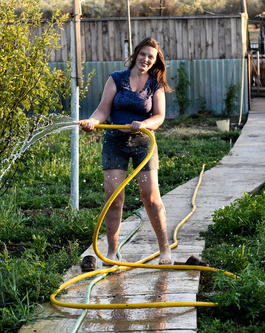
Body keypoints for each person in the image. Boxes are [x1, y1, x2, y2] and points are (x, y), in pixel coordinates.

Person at [81, 37, 172, 265]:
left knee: (150, 197)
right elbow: (103, 110)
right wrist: (92, 121)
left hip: (144, 142)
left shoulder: (155, 84)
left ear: (155, 61)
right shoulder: (116, 79)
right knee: (114, 198)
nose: (146, 59)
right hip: (115, 142)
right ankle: (112, 253)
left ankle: (165, 250)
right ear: (136, 54)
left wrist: (144, 124)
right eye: (143, 54)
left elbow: (159, 117)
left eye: (151, 57)